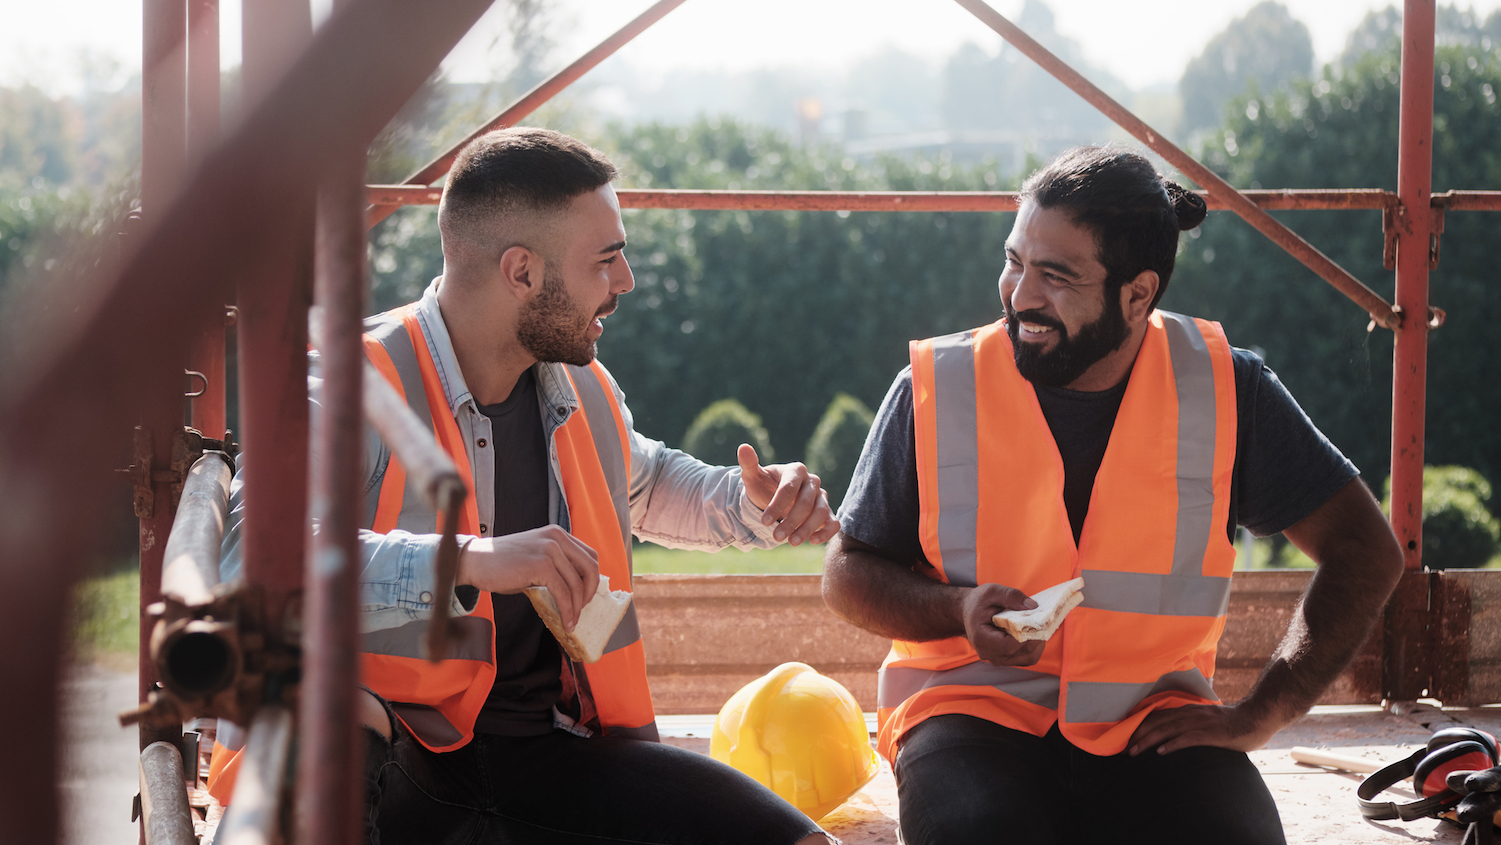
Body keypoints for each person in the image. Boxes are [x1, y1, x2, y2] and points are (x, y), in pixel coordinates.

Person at [216, 127, 840, 845]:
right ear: (521, 272)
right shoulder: (345, 390)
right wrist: (471, 561)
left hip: (549, 760)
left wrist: (749, 502)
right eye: (606, 261)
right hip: (391, 764)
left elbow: (647, 481)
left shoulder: (582, 388)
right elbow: (251, 569)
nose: (625, 282)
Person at [821, 146, 1404, 845]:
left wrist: (1263, 710)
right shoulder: (935, 385)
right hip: (967, 710)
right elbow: (845, 572)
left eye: (1055, 276)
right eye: (1014, 261)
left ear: (1138, 293)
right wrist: (954, 609)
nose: (1018, 294)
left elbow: (1365, 552)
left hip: (1152, 718)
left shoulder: (1225, 389)